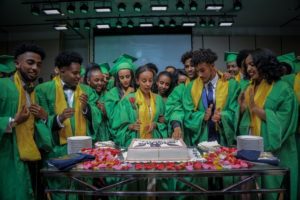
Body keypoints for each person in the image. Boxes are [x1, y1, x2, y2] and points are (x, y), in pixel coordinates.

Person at [35, 51, 100, 200]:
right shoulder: (43, 90)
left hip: (83, 149)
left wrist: (86, 108)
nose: (78, 76)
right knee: (60, 190)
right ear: (61, 70)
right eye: (75, 73)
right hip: (58, 150)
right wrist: (59, 118)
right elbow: (39, 121)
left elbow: (96, 116)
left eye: (79, 73)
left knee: (84, 188)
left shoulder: (87, 90)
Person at [238, 48, 298, 200]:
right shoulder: (249, 86)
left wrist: (255, 108)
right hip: (252, 150)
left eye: (253, 64)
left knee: (274, 191)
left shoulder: (282, 88)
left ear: (264, 63)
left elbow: (285, 120)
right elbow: (245, 120)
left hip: (278, 150)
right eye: (247, 65)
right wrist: (242, 109)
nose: (249, 68)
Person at [0, 43, 52, 200]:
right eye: (30, 62)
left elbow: (35, 126)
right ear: (17, 63)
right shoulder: (3, 86)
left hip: (33, 156)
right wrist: (13, 120)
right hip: (9, 156)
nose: (35, 68)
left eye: (39, 64)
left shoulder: (33, 91)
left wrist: (43, 117)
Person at [183, 48, 239, 146]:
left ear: (212, 66)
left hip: (223, 138)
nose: (199, 75)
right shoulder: (191, 87)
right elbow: (188, 113)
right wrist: (202, 117)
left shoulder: (231, 85)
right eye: (197, 71)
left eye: (202, 70)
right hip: (202, 138)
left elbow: (236, 112)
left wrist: (222, 116)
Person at [111, 65, 168, 148]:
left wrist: (156, 125)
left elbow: (164, 122)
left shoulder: (158, 99)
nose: (148, 84)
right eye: (144, 81)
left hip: (154, 142)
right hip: (135, 142)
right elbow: (117, 125)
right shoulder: (128, 99)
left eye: (150, 81)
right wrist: (130, 126)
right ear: (137, 81)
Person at [85, 63, 111, 141]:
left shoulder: (107, 95)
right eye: (96, 80)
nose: (100, 83)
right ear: (88, 81)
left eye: (102, 80)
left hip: (106, 135)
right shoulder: (86, 94)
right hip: (91, 136)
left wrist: (106, 112)